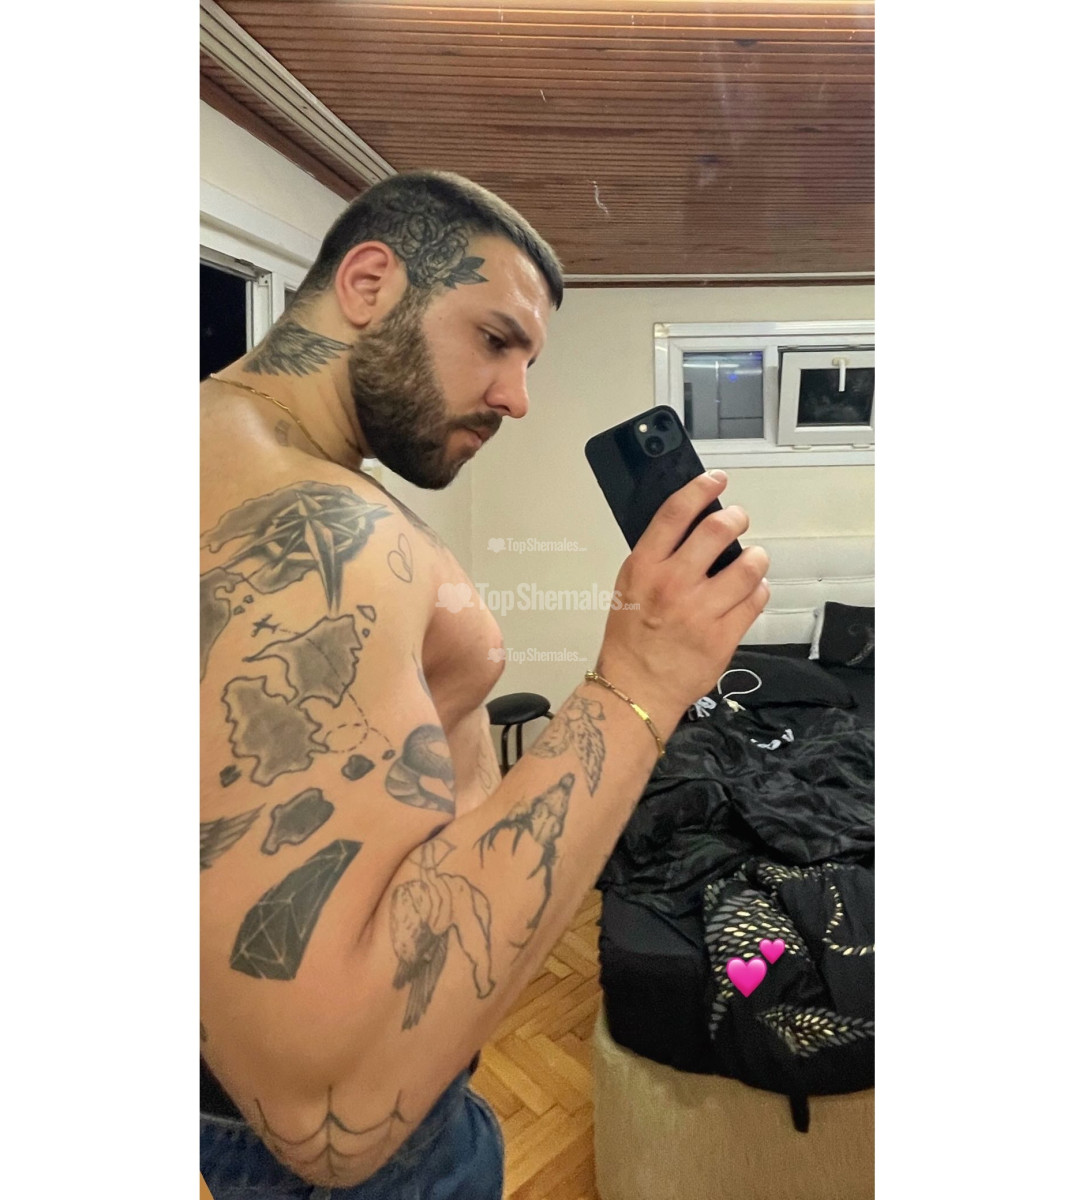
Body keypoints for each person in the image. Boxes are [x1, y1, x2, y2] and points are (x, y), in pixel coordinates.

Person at [200, 169, 770, 1198]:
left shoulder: (243, 458)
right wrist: (641, 678)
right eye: (496, 339)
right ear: (369, 283)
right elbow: (328, 1117)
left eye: (527, 361)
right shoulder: (309, 528)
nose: (516, 397)